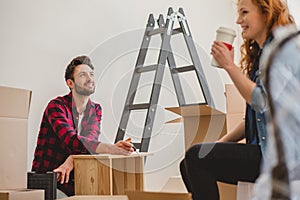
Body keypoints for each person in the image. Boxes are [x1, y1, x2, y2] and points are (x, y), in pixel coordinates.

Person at [179, 0, 294, 199]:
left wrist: (230, 67)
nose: (238, 20)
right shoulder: (261, 56)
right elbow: (251, 118)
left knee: (195, 158)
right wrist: (220, 144)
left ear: (266, 14)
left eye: (244, 12)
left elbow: (262, 102)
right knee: (191, 161)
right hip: (264, 152)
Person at [31, 55, 134, 197]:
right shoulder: (56, 106)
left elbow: (89, 141)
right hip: (50, 179)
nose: (90, 78)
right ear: (70, 83)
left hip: (76, 179)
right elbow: (72, 140)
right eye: (82, 75)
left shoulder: (95, 109)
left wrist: (72, 158)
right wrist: (111, 148)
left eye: (91, 74)